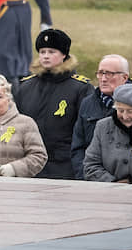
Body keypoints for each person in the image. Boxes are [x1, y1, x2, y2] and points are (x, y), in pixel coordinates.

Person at [15, 29, 93, 179]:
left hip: (64, 165)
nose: (45, 56)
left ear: (64, 55)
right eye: (42, 52)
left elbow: (84, 130)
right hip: (29, 163)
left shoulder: (80, 88)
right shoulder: (25, 86)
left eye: (51, 52)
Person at [70, 54, 131, 179]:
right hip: (90, 179)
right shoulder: (87, 103)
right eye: (100, 73)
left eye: (109, 74)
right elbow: (78, 147)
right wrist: (84, 176)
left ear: (124, 77)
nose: (103, 79)